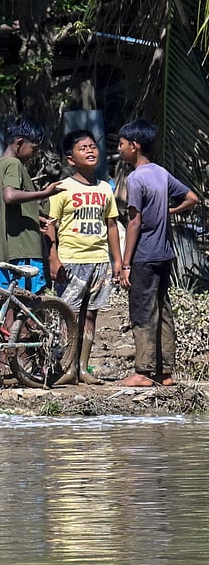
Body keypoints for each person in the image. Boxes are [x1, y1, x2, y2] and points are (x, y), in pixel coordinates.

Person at [115, 119, 199, 387]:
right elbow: (192, 197)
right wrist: (171, 211)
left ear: (135, 146)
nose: (119, 149)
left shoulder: (136, 178)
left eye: (122, 144)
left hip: (143, 255)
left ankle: (143, 371)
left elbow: (134, 222)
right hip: (165, 254)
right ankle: (166, 373)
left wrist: (125, 263)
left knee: (142, 310)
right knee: (163, 310)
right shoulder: (161, 173)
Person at [44, 129, 122, 384]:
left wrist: (118, 261)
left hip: (99, 260)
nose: (90, 151)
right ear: (70, 159)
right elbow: (50, 225)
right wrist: (54, 257)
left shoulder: (105, 189)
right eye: (83, 148)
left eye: (92, 146)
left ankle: (83, 369)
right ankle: (67, 368)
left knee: (91, 314)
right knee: (70, 314)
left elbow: (111, 225)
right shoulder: (62, 188)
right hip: (71, 260)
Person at [0, 116, 64, 291]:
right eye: (34, 149)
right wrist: (44, 192)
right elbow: (10, 196)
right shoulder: (13, 164)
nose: (34, 154)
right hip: (24, 252)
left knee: (10, 305)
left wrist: (32, 217)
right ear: (19, 143)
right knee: (29, 305)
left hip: (5, 253)